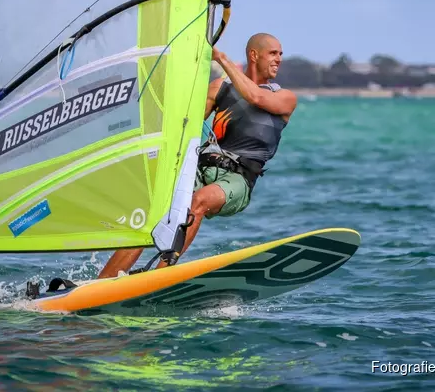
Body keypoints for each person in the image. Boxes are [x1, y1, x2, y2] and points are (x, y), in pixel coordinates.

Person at [97, 33, 298, 279]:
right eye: (273, 53)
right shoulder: (220, 89)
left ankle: (161, 275)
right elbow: (185, 125)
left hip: (237, 180)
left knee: (198, 201)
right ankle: (102, 282)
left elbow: (254, 97)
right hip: (203, 168)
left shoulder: (285, 98)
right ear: (254, 55)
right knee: (155, 209)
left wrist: (221, 59)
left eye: (281, 54)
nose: (279, 59)